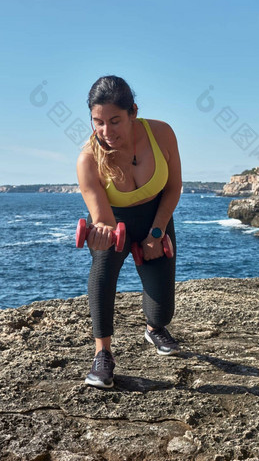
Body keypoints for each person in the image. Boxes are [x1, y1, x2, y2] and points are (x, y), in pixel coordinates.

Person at [76, 75, 182, 389]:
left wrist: (156, 233)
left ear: (133, 112)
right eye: (98, 122)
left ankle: (153, 328)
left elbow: (174, 187)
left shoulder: (162, 134)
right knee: (104, 265)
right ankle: (102, 355)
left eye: (115, 121)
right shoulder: (87, 159)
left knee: (163, 311)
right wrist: (103, 235)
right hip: (116, 221)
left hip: (156, 218)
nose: (106, 132)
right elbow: (103, 218)